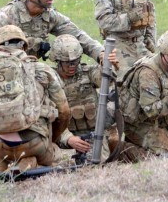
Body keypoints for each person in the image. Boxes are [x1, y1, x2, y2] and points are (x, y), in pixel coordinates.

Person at [0, 25, 70, 171]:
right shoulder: (42, 70)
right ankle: (28, 161)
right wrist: (52, 140)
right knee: (54, 154)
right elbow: (64, 112)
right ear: (24, 46)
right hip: (34, 144)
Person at [48, 34, 120, 163]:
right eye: (67, 62)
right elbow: (48, 120)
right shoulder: (49, 80)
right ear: (57, 60)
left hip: (92, 135)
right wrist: (68, 139)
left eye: (75, 61)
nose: (72, 66)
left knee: (96, 164)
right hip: (61, 137)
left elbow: (105, 79)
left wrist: (109, 64)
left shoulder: (88, 73)